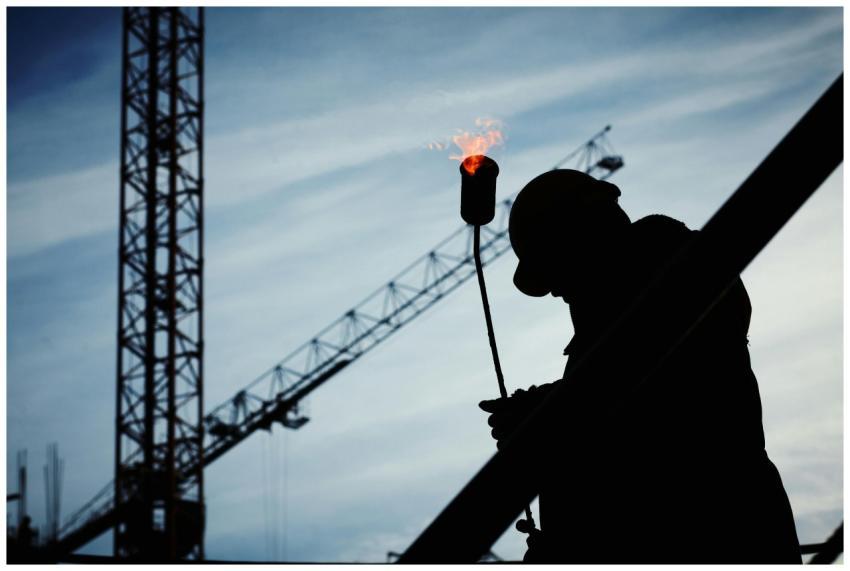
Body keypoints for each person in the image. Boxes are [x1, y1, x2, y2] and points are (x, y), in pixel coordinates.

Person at [479, 169, 801, 563]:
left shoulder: (685, 277)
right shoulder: (610, 337)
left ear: (583, 235)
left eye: (555, 267)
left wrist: (546, 417)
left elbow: (652, 411)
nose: (555, 291)